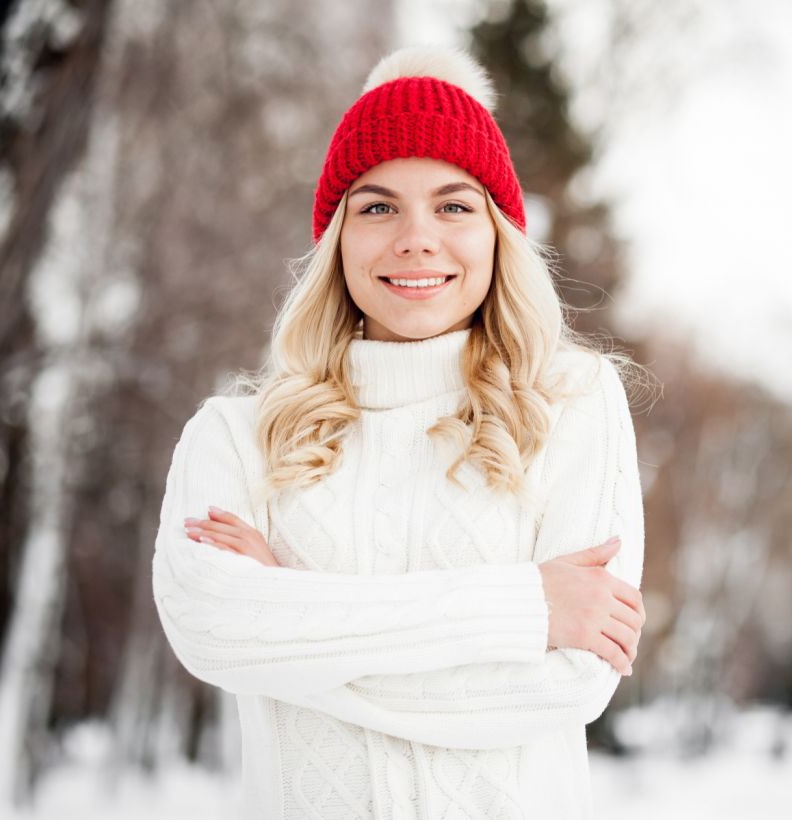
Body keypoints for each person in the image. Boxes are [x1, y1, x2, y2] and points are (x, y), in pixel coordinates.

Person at [151, 45, 646, 820]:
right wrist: (524, 610)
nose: (417, 238)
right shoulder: (237, 436)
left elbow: (571, 679)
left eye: (453, 205)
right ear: (337, 240)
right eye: (378, 206)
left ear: (498, 234)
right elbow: (215, 630)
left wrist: (290, 609)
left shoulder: (573, 407)